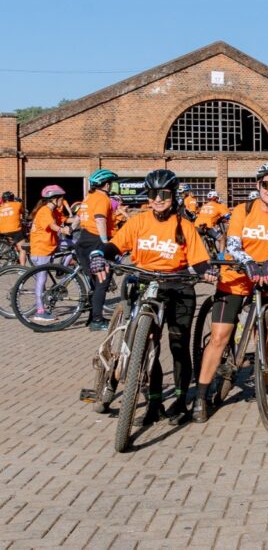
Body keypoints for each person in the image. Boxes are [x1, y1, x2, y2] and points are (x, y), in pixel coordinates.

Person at [90, 170, 215, 426]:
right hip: (146, 284)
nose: (158, 199)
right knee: (149, 346)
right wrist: (98, 254)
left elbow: (200, 260)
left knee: (178, 346)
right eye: (152, 194)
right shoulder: (138, 222)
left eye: (164, 194)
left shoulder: (184, 225)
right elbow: (114, 246)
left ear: (173, 196)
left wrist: (209, 272)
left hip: (178, 286)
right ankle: (154, 404)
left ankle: (180, 401)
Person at [193, 162, 268, 423]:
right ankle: (201, 396)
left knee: (266, 341)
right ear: (258, 184)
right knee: (219, 337)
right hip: (235, 278)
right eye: (267, 184)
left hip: (265, 280)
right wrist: (248, 261)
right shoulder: (243, 210)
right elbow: (232, 244)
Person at [77, 168, 119, 331]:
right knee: (102, 282)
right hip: (96, 241)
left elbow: (79, 218)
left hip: (84, 238)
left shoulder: (88, 198)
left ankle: (92, 316)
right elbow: (100, 220)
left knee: (95, 283)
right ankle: (97, 320)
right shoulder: (103, 199)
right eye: (111, 184)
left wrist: (69, 230)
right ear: (107, 185)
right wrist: (105, 242)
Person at [27, 185, 72, 323]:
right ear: (54, 199)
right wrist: (62, 230)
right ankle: (40, 311)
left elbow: (64, 220)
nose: (63, 201)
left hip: (51, 245)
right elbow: (52, 225)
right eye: (61, 198)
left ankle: (61, 271)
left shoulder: (54, 211)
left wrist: (81, 219)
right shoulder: (45, 210)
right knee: (42, 279)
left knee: (74, 245)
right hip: (41, 248)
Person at [195, 189, 230, 254]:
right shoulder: (219, 206)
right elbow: (227, 216)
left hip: (197, 225)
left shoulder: (204, 205)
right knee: (222, 239)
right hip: (208, 226)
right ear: (216, 198)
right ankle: (221, 257)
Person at [0, 190, 27, 265]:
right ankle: (22, 268)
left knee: (11, 242)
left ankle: (12, 255)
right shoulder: (17, 204)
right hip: (14, 230)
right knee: (23, 249)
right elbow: (23, 212)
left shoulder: (0, 207)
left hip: (2, 230)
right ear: (12, 198)